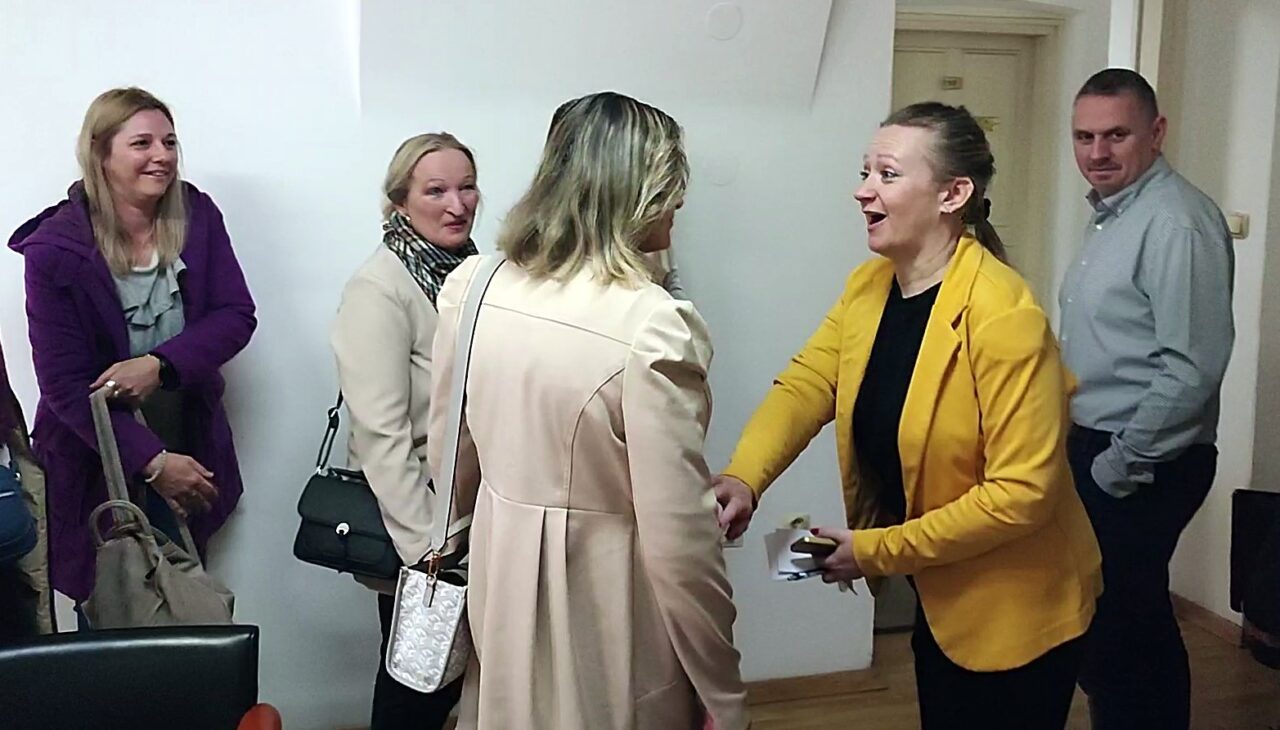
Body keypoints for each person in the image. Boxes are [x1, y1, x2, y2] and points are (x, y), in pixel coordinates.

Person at [713, 101, 1102, 729]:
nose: (863, 190)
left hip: (1018, 611)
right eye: (865, 172)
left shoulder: (1004, 315)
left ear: (953, 194)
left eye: (887, 174)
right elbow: (808, 384)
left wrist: (873, 551)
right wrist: (743, 476)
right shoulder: (869, 288)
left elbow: (1021, 496)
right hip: (943, 594)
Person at [428, 91, 748, 730]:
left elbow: (451, 456)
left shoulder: (476, 286)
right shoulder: (651, 326)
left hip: (500, 581)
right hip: (606, 606)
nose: (680, 202)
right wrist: (723, 689)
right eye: (671, 184)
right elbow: (680, 544)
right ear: (638, 193)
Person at [8, 87, 256, 621]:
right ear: (101, 153)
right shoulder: (55, 249)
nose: (161, 155)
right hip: (96, 461)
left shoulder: (196, 215)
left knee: (186, 606)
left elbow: (235, 315)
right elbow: (65, 386)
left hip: (188, 447)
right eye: (142, 143)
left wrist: (160, 366)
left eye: (169, 142)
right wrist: (152, 462)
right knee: (114, 611)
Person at [1060, 68, 1235, 730]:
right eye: (1084, 137)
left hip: (1145, 457)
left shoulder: (1176, 222)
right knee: (1116, 625)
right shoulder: (1113, 217)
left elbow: (1192, 368)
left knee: (1128, 633)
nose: (1097, 152)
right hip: (1099, 445)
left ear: (1156, 132)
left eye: (1116, 135)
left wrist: (1119, 464)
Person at [330, 132, 478, 729]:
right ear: (400, 203)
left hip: (471, 524)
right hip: (422, 535)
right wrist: (428, 552)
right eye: (436, 191)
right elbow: (380, 435)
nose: (457, 205)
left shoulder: (475, 276)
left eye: (467, 188)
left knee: (466, 687)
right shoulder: (380, 287)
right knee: (416, 692)